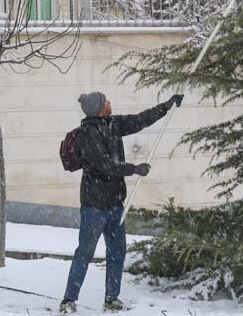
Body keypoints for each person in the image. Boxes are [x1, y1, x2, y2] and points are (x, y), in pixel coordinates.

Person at [59, 91, 183, 314]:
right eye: (105, 101)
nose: (109, 102)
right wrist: (133, 169)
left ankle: (111, 299)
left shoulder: (112, 124)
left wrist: (166, 106)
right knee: (85, 252)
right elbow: (104, 164)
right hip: (94, 206)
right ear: (98, 108)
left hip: (116, 204)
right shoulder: (89, 133)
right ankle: (68, 300)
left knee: (117, 252)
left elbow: (139, 120)